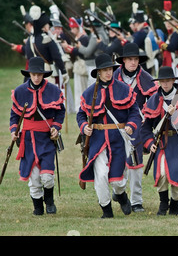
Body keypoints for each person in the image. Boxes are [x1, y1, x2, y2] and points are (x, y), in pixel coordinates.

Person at [77, 53, 141, 218]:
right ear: (98, 72)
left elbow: (135, 113)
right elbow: (81, 115)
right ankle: (106, 210)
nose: (108, 73)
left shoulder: (124, 89)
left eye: (110, 69)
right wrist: (84, 127)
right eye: (104, 70)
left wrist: (131, 125)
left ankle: (121, 195)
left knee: (118, 180)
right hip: (98, 140)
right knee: (101, 175)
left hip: (118, 139)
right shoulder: (89, 92)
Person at [10, 57, 65, 215]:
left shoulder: (53, 90)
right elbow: (14, 115)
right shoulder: (20, 91)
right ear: (29, 74)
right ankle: (38, 207)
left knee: (47, 176)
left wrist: (56, 127)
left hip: (47, 139)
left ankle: (49, 201)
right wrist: (14, 130)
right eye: (33, 74)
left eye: (39, 74)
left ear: (43, 75)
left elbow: (60, 111)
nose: (36, 77)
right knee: (34, 178)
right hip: (27, 140)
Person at [113, 43, 158, 212]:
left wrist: (146, 115)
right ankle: (119, 191)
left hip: (137, 124)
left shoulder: (145, 77)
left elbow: (153, 101)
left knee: (136, 164)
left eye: (136, 59)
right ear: (123, 60)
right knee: (116, 160)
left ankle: (136, 201)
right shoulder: (113, 76)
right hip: (115, 124)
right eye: (130, 59)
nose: (133, 62)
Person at [140, 66, 178, 216]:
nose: (166, 84)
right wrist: (150, 144)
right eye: (163, 81)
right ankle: (163, 203)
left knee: (177, 175)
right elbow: (145, 129)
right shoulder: (154, 100)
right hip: (161, 142)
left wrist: (176, 114)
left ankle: (175, 204)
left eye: (168, 81)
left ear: (173, 81)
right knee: (161, 174)